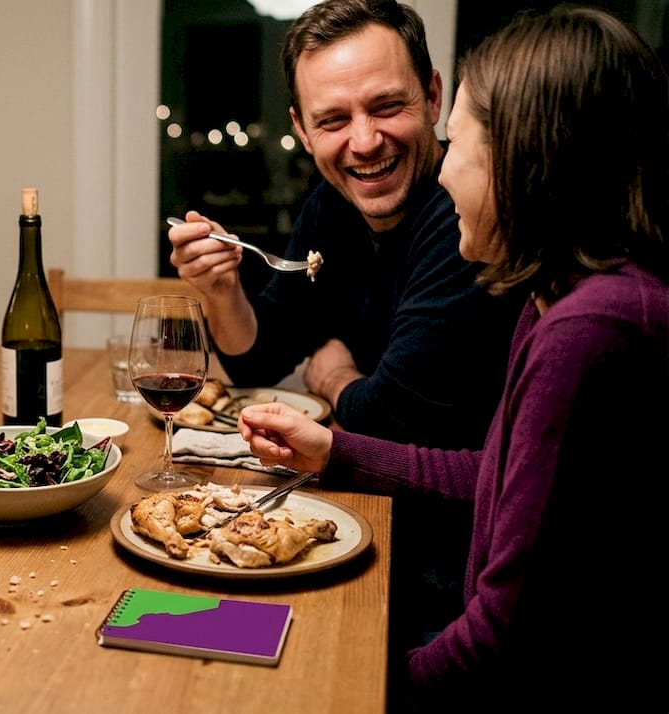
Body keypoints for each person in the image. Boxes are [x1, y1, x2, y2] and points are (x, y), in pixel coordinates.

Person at [237, 7, 669, 711]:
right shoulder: (559, 302)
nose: (442, 176)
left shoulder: (592, 332)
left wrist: (339, 692)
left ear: (526, 161)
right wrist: (332, 452)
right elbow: (496, 479)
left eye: (459, 141)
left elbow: (501, 645)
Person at [170, 0, 521, 657]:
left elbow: (388, 419)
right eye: (334, 119)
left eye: (386, 106)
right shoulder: (329, 207)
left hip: (448, 564)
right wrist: (220, 290)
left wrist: (332, 376)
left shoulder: (464, 217)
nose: (363, 142)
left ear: (434, 95)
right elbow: (258, 354)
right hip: (360, 508)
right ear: (303, 130)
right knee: (177, 621)